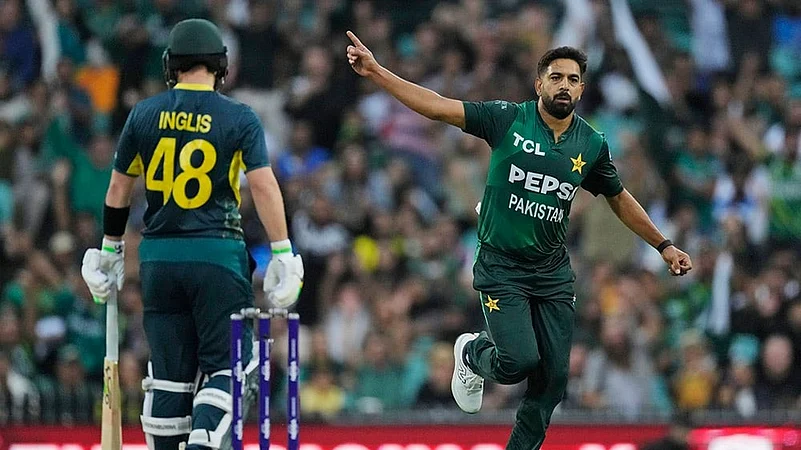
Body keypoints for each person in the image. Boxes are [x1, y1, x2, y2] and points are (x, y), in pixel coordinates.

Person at [346, 31, 693, 450]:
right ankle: (473, 352)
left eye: (572, 79)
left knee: (552, 383)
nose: (564, 84)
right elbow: (438, 107)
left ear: (582, 89)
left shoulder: (592, 143)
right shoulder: (508, 119)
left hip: (552, 272)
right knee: (517, 363)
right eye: (556, 76)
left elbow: (619, 199)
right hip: (501, 266)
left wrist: (663, 245)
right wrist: (378, 72)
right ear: (539, 84)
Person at [80, 19, 303, 450]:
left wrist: (109, 251)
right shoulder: (239, 117)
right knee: (235, 365)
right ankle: (203, 441)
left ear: (170, 65)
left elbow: (117, 190)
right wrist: (283, 252)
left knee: (170, 379)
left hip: (158, 260)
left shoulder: (143, 114)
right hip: (218, 256)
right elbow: (262, 186)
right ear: (222, 65)